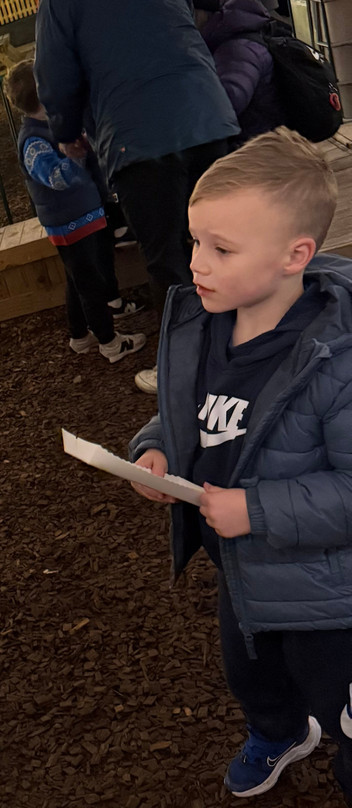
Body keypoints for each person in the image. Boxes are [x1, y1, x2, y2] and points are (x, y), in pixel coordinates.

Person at [128, 129, 352, 801]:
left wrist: (255, 509)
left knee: (337, 689)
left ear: (295, 255)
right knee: (249, 668)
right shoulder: (207, 326)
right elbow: (181, 410)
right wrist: (155, 448)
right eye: (196, 241)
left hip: (324, 590)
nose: (197, 262)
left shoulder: (335, 363)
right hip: (241, 567)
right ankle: (277, 730)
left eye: (221, 249)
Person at [34, 0, 240, 394]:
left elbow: (54, 72)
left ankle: (186, 372)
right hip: (207, 115)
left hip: (136, 136)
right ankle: (255, 345)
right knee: (229, 241)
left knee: (167, 258)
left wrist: (66, 130)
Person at [4, 60, 147, 364]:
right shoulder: (33, 140)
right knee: (89, 284)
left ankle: (79, 335)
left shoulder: (51, 125)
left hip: (83, 215)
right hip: (69, 222)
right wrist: (75, 157)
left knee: (76, 279)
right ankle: (110, 343)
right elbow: (55, 178)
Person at [196, 0, 283, 145]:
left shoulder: (237, 50)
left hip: (252, 149)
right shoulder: (230, 40)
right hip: (256, 143)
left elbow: (226, 105)